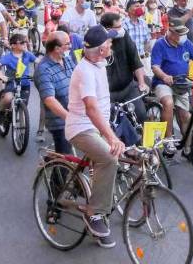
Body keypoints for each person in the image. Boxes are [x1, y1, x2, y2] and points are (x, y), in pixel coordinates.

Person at [66, 25, 124, 248]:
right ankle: (95, 213)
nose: (111, 45)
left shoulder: (99, 63)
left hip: (97, 126)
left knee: (127, 153)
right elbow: (90, 108)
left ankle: (98, 203)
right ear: (100, 50)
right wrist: (111, 137)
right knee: (109, 157)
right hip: (81, 128)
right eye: (108, 43)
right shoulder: (85, 71)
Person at [151, 19, 193, 155]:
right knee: (168, 102)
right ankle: (168, 139)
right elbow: (155, 66)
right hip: (163, 82)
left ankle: (188, 148)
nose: (182, 36)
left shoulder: (186, 43)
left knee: (186, 116)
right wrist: (164, 76)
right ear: (171, 32)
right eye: (179, 33)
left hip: (181, 82)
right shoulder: (160, 44)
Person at [102, 12, 150, 124]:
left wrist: (141, 83)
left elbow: (136, 61)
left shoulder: (124, 36)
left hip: (128, 88)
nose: (121, 29)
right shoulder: (98, 42)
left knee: (141, 115)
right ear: (107, 29)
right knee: (113, 124)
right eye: (118, 27)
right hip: (108, 95)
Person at [35, 31, 77, 153]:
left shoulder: (67, 60)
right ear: (57, 48)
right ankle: (55, 166)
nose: (70, 46)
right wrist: (69, 118)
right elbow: (49, 100)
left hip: (76, 113)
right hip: (60, 121)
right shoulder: (43, 69)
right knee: (65, 160)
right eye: (67, 44)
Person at [0, 33, 37, 125]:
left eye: (25, 42)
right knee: (8, 98)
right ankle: (1, 112)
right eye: (21, 42)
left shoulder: (27, 54)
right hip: (12, 82)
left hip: (25, 84)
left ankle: (23, 131)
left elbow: (38, 62)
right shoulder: (9, 57)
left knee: (23, 107)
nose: (25, 44)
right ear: (13, 45)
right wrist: (1, 76)